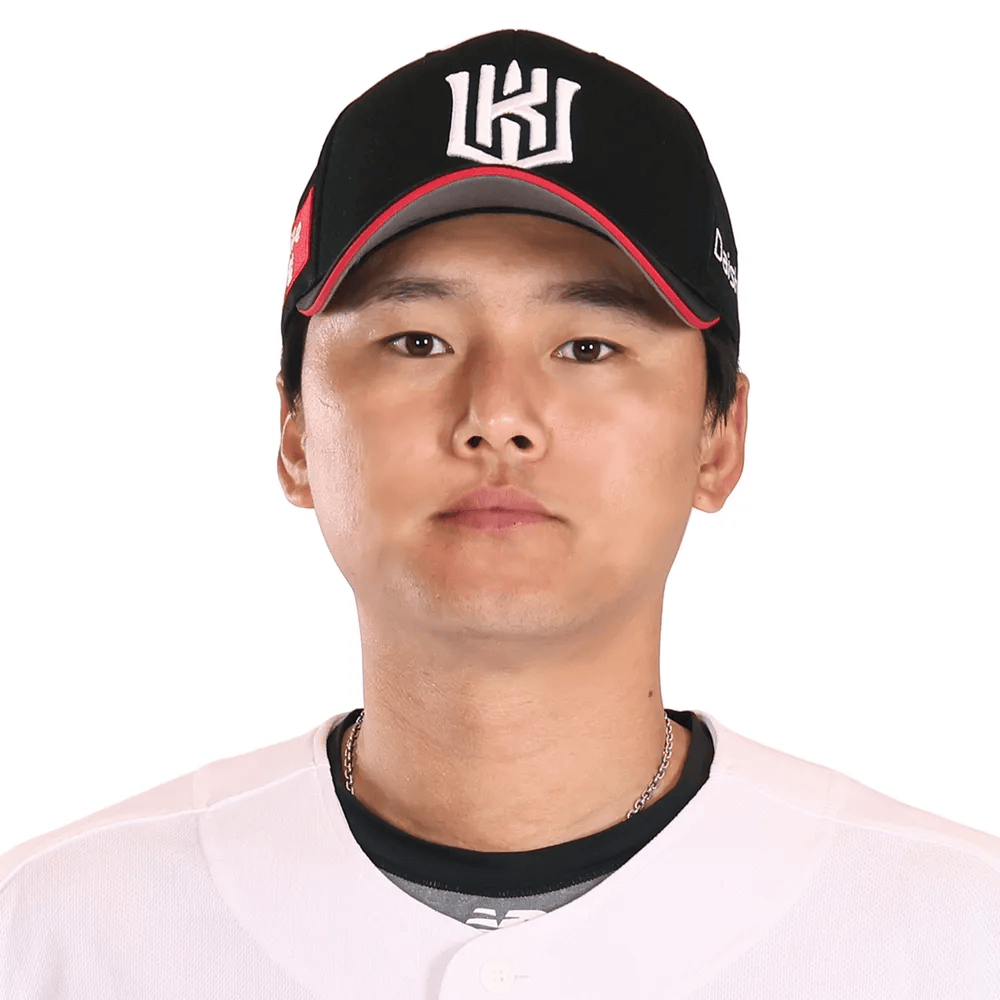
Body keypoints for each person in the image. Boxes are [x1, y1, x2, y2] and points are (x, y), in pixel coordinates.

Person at [1, 28, 997, 999]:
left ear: (719, 438)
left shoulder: (958, 935)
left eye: (588, 347)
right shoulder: (54, 935)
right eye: (417, 341)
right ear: (296, 432)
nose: (497, 416)